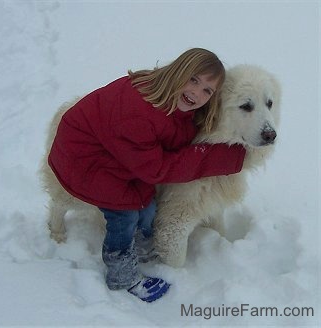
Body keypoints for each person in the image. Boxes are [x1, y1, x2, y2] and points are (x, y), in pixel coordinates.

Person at [48, 48, 246, 302]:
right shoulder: (140, 111)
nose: (197, 93)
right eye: (193, 80)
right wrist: (217, 158)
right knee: (126, 215)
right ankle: (122, 274)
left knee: (148, 206)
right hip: (85, 162)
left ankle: (141, 246)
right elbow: (156, 169)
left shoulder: (170, 99)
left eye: (207, 90)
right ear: (178, 72)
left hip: (119, 158)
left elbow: (164, 143)